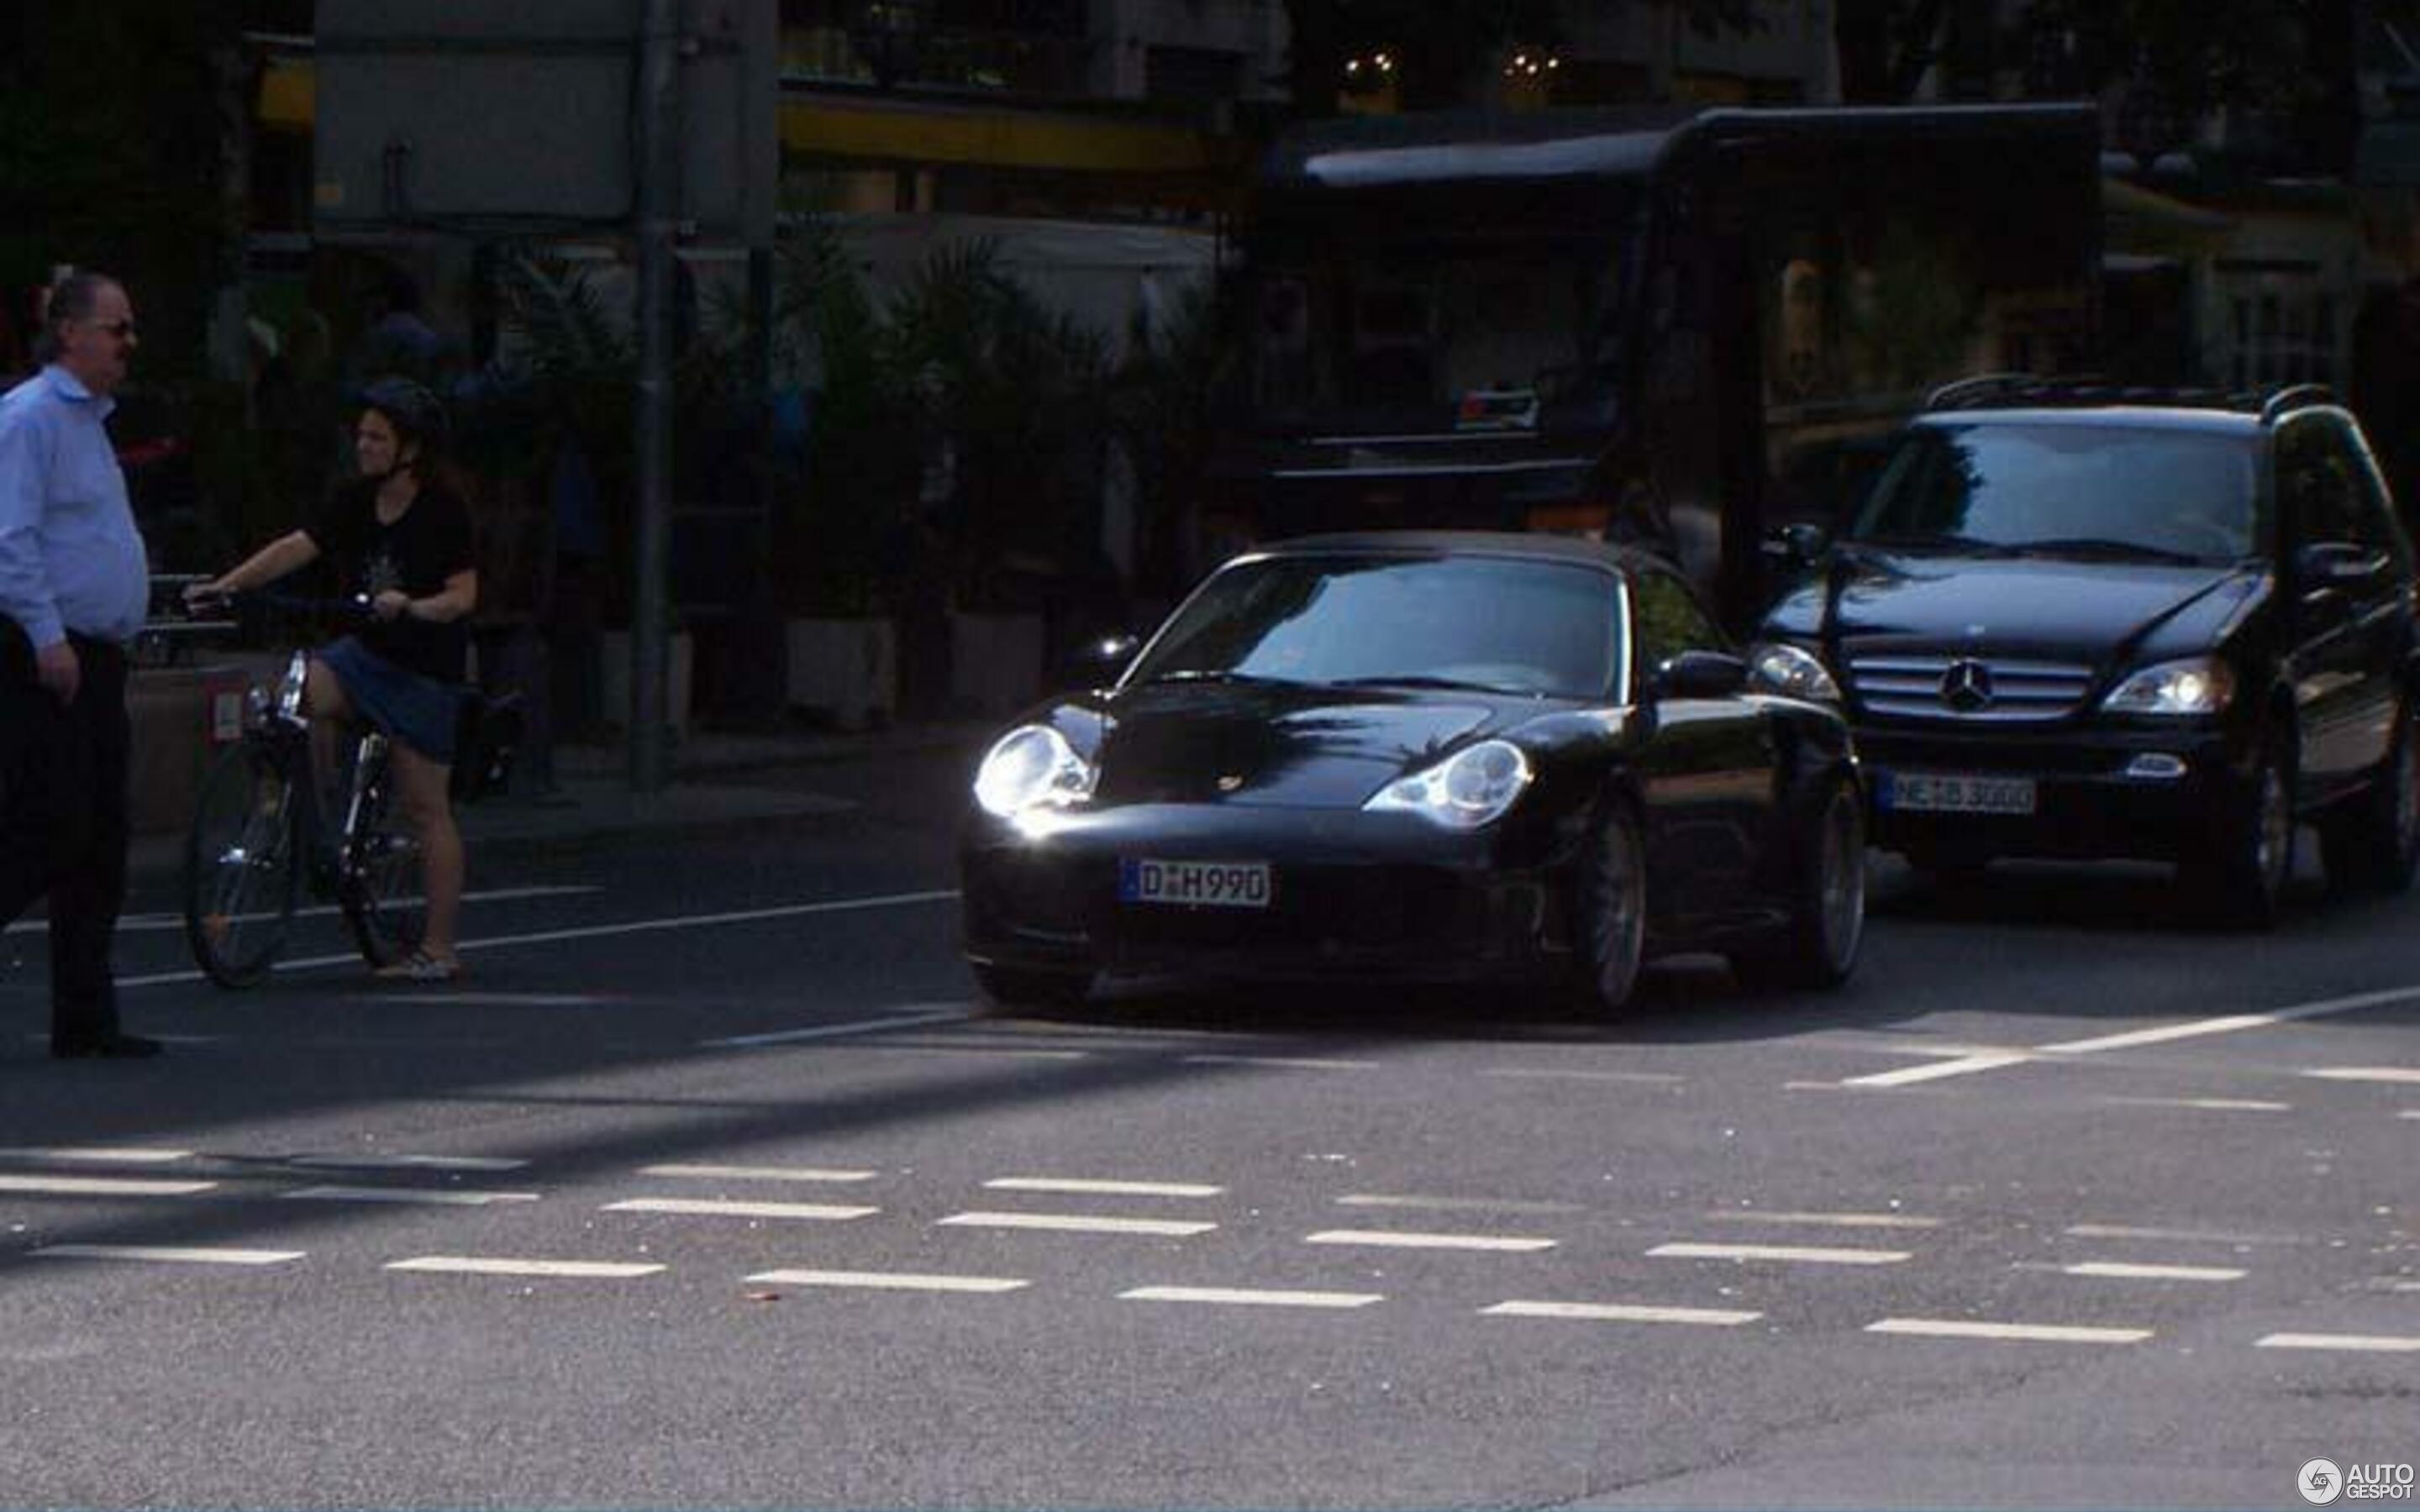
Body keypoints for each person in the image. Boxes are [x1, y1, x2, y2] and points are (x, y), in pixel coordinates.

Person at [190, 377, 478, 981]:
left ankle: (440, 947)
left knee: (427, 807)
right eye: (361, 436)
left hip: (423, 669)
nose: (364, 446)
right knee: (296, 697)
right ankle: (311, 817)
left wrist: (416, 606)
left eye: (377, 437)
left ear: (411, 449)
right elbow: (299, 546)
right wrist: (230, 584)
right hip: (365, 655)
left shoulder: (442, 511)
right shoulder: (354, 499)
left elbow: (463, 594)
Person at [0, 270, 159, 1059]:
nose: (129, 343)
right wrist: (45, 634)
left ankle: (86, 1018)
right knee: (46, 828)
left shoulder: (89, 423)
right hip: (50, 653)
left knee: (99, 838)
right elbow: (11, 536)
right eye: (117, 327)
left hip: (98, 654)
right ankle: (83, 1013)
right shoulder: (30, 418)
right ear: (70, 332)